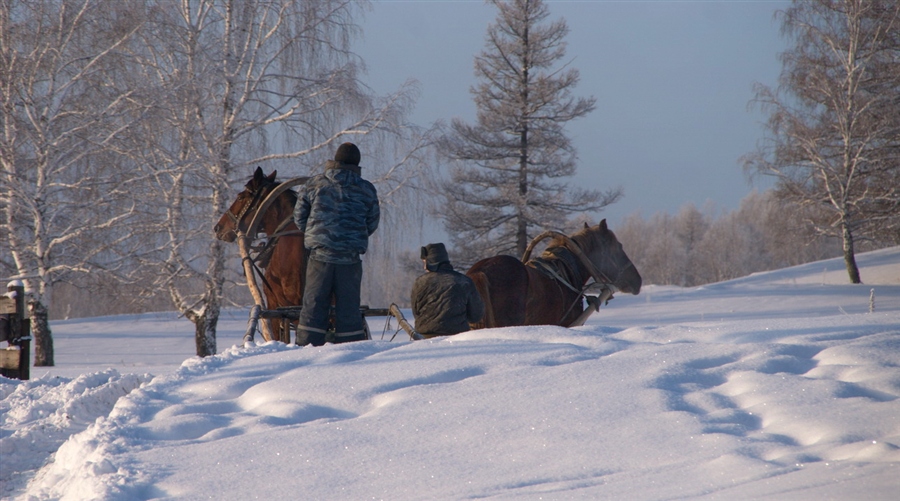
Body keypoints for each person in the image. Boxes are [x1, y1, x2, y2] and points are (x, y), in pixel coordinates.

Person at [293, 142, 380, 346]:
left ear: (335, 160)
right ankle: (348, 350)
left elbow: (299, 217)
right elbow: (372, 222)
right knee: (349, 308)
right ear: (357, 163)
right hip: (350, 259)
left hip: (319, 257)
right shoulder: (367, 189)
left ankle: (307, 347)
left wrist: (317, 234)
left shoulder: (315, 184)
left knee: (314, 305)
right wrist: (351, 237)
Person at [411, 243, 484, 338]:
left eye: (424, 262)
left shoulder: (419, 282)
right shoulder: (464, 281)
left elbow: (416, 312)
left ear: (430, 262)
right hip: (458, 337)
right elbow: (476, 316)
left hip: (425, 337)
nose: (424, 267)